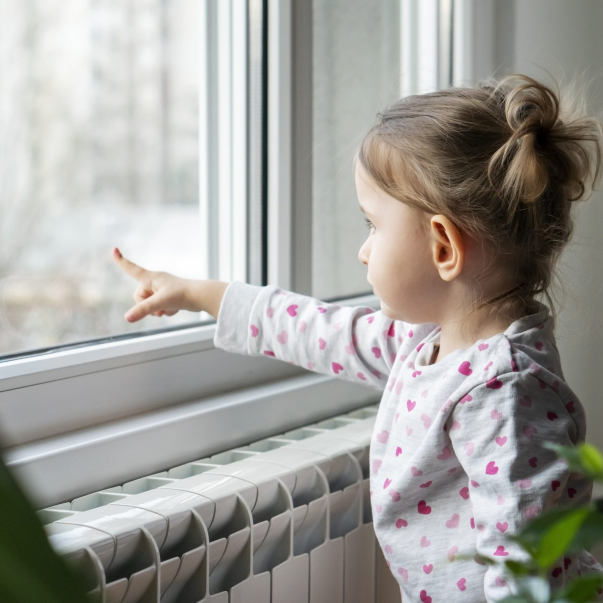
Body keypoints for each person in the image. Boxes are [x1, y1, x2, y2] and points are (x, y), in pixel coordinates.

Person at [113, 73, 603, 601]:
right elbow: (319, 331)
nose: (363, 250)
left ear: (443, 247)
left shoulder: (505, 390)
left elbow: (528, 569)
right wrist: (198, 293)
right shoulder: (428, 344)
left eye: (373, 225)